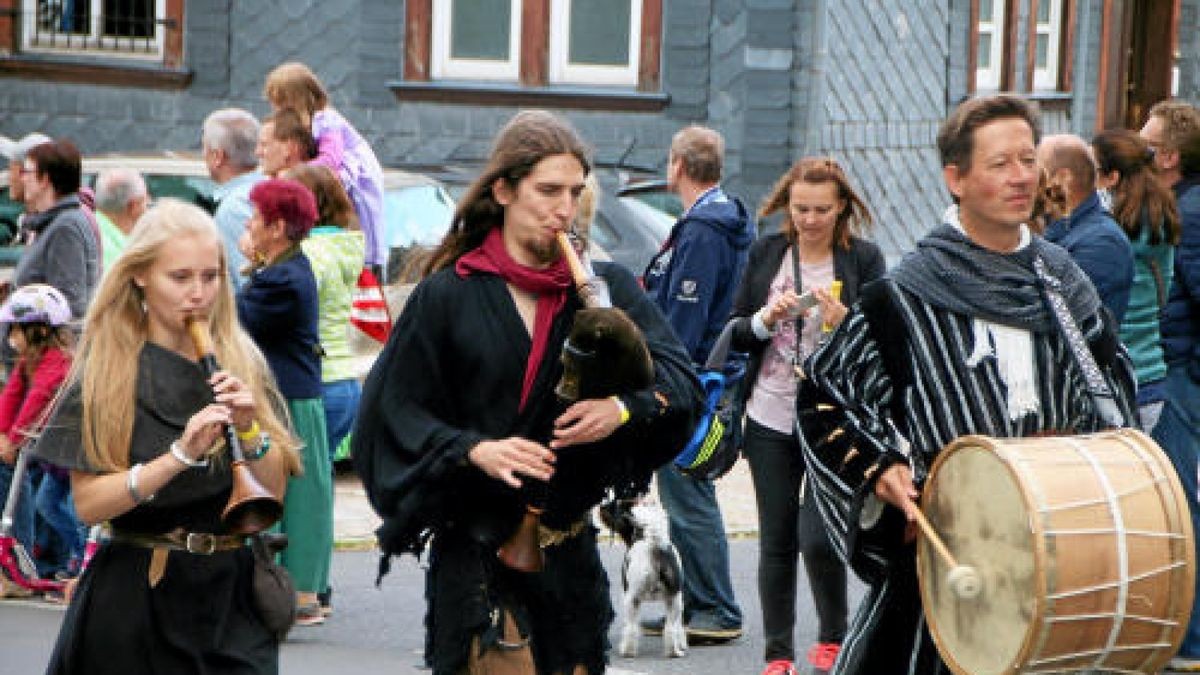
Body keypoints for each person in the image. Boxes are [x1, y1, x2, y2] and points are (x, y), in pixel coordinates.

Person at [353, 110, 701, 675]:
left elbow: (681, 383)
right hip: (475, 554)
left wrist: (620, 410)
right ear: (504, 190)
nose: (563, 207)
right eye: (547, 190)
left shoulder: (600, 290)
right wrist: (472, 450)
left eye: (574, 192)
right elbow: (392, 412)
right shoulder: (449, 294)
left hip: (568, 557)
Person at [799, 94, 1137, 675]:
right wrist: (879, 468)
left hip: (1061, 561)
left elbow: (1117, 391)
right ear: (955, 178)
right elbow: (825, 400)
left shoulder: (1064, 283)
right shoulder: (902, 295)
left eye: (1028, 160)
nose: (1021, 177)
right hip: (948, 563)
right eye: (1000, 164)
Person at [30, 199, 300, 674]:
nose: (198, 294)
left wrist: (250, 428)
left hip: (230, 594)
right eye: (179, 278)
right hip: (140, 595)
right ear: (139, 276)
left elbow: (273, 491)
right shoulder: (104, 373)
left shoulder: (243, 360)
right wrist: (177, 456)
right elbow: (88, 505)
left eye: (211, 276)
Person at [730, 157, 886, 675]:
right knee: (776, 539)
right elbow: (737, 330)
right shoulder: (767, 253)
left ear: (842, 207)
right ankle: (777, 654)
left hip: (832, 420)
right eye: (801, 209)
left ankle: (833, 634)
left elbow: (884, 343)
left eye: (822, 209)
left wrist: (848, 324)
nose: (811, 219)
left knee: (819, 538)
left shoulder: (862, 259)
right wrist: (765, 317)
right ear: (787, 207)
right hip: (770, 413)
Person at [640, 124, 751, 643]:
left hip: (694, 380)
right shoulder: (709, 222)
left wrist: (668, 377)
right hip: (704, 373)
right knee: (684, 490)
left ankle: (716, 608)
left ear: (677, 166)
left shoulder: (704, 230)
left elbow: (687, 311)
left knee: (687, 488)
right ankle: (692, 600)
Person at [236, 177, 331, 627]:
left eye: (256, 217)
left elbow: (236, 319)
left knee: (292, 497)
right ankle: (292, 590)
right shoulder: (286, 270)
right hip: (288, 394)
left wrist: (245, 267)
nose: (250, 224)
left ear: (277, 228)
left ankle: (295, 593)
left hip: (286, 400)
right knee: (295, 494)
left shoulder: (283, 280)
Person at [1142, 100, 1200, 672]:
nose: (1139, 149)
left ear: (1169, 156)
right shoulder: (1174, 204)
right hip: (1175, 367)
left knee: (1182, 507)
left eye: (1147, 142)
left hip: (1181, 373)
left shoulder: (1193, 211)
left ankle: (1193, 640)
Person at [1091, 129, 1180, 432]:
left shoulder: (1106, 239)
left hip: (1118, 376)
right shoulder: (1160, 221)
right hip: (1153, 371)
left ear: (1111, 177)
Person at [264, 62, 386, 275]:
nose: (278, 111)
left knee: (365, 216)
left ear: (296, 99)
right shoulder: (308, 126)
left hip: (358, 177)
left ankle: (369, 256)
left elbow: (330, 160)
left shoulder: (327, 121)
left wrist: (296, 174)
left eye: (281, 103)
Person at [285, 164, 364, 461]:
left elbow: (293, 302)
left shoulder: (312, 253)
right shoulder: (343, 245)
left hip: (317, 380)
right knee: (320, 475)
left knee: (304, 484)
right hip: (344, 376)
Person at [0, 284, 74, 569]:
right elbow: (12, 395)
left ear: (40, 330)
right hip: (54, 459)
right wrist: (4, 434)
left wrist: (14, 438)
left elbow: (38, 397)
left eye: (15, 331)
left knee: (73, 512)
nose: (11, 338)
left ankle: (82, 559)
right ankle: (68, 559)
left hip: (72, 454)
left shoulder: (58, 361)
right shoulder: (28, 361)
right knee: (48, 505)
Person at [1038, 133, 1135, 323]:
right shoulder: (1061, 227)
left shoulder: (1102, 243)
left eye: (1035, 168)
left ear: (1062, 178)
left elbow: (1055, 316)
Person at [12, 139, 100, 322]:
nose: (22, 178)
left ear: (45, 179)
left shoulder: (66, 228)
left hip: (49, 348)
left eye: (26, 172)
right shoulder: (50, 224)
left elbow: (69, 304)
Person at [202, 108, 264, 289]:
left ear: (217, 156)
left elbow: (250, 284)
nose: (203, 156)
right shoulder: (269, 188)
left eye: (204, 149)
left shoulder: (233, 208)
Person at [93, 168, 149, 273]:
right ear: (134, 206)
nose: (148, 208)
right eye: (146, 201)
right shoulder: (117, 255)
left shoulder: (87, 228)